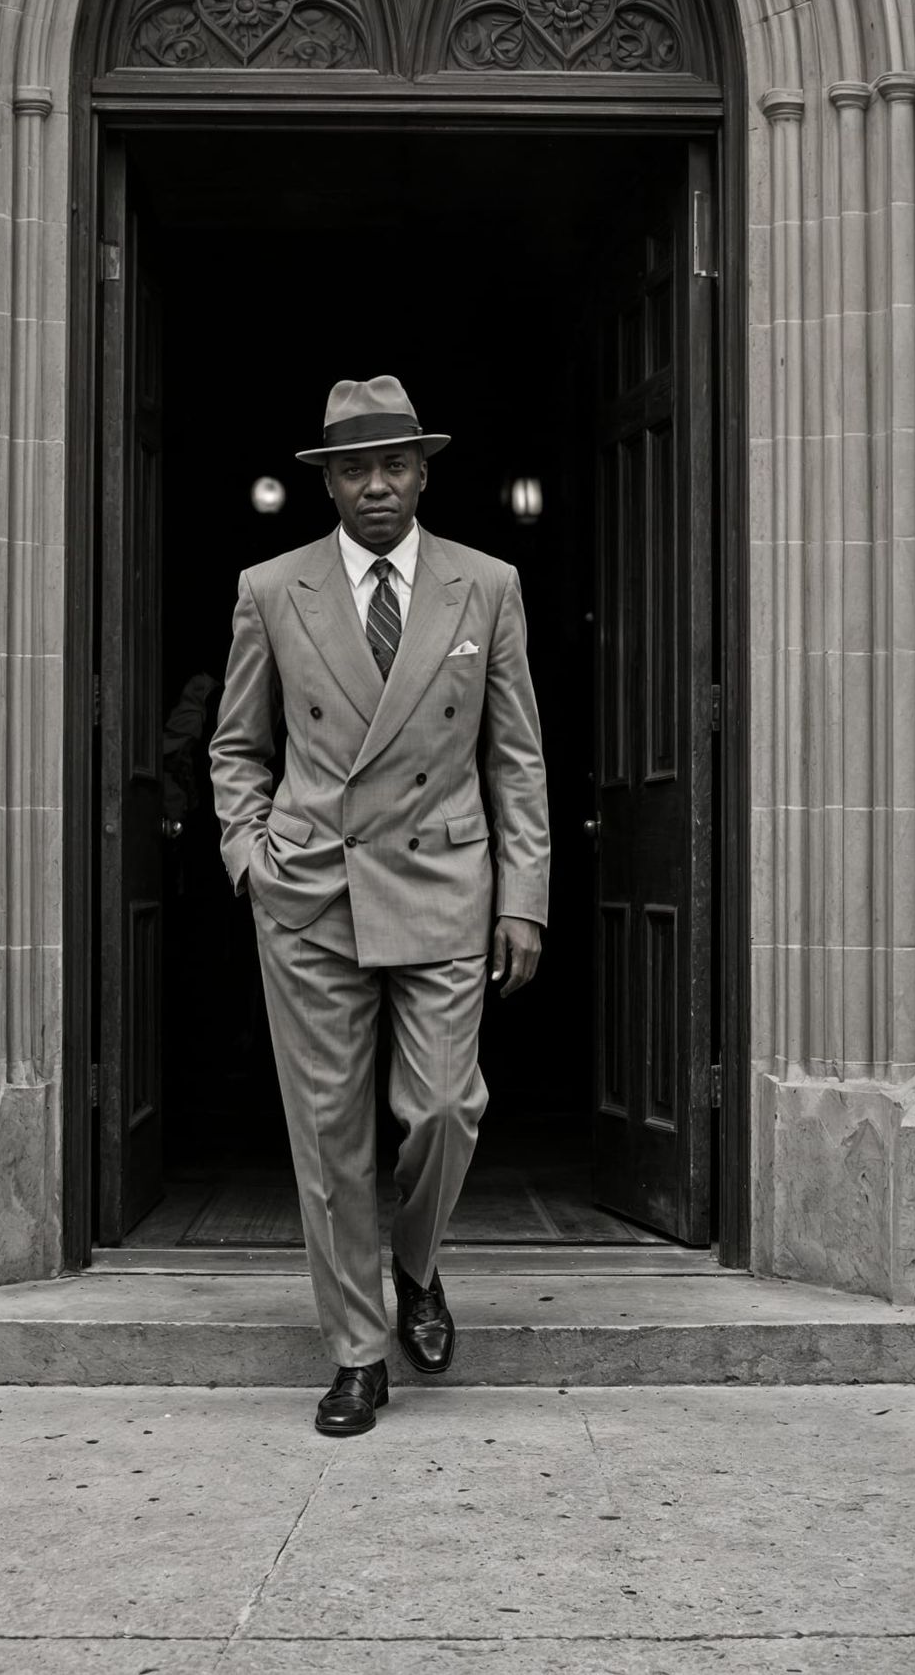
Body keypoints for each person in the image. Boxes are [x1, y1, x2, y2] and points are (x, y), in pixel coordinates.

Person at [209, 375, 550, 1437]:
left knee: (446, 1108)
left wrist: (524, 897)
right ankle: (357, 1354)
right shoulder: (272, 589)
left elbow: (516, 756)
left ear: (421, 470)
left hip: (445, 883)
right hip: (311, 891)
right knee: (329, 1139)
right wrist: (248, 854)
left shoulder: (485, 585)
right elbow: (235, 746)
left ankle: (414, 1260)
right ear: (329, 481)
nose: (376, 485)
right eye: (354, 468)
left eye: (393, 464)